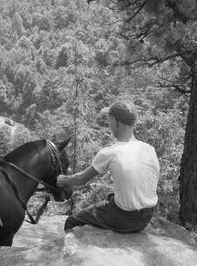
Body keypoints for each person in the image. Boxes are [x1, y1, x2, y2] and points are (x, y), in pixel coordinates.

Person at [57, 100, 160, 233]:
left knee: (72, 221)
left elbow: (81, 179)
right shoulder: (149, 149)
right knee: (112, 197)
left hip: (124, 218)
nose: (109, 125)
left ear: (115, 121)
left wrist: (63, 180)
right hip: (146, 217)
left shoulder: (110, 152)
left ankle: (74, 248)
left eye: (110, 121)